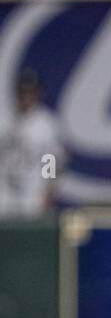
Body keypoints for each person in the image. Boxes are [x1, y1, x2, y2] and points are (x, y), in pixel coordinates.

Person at [0, 70, 63, 217]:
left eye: (30, 93)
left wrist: (48, 190)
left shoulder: (45, 124)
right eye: (23, 92)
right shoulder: (4, 118)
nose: (26, 97)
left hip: (32, 191)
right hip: (4, 190)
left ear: (37, 94)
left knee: (29, 235)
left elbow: (52, 159)